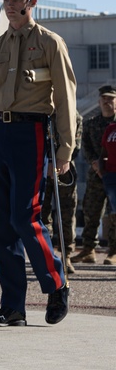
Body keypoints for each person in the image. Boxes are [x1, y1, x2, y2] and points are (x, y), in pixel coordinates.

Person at [0, 0, 73, 327]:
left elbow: (67, 99)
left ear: (32, 1)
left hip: (32, 133)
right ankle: (13, 307)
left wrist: (65, 150)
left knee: (25, 216)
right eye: (5, 0)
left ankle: (56, 282)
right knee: (3, 226)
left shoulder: (49, 43)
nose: (10, 5)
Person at [72, 85, 116, 265]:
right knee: (91, 212)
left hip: (114, 175)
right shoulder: (91, 123)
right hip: (96, 175)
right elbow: (87, 148)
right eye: (104, 99)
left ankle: (113, 251)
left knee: (114, 214)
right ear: (99, 101)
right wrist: (94, 163)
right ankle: (88, 249)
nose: (107, 102)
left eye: (111, 99)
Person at [41, 113, 82, 274]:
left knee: (66, 214)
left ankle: (67, 256)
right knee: (43, 215)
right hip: (42, 167)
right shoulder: (41, 111)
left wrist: (59, 162)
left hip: (65, 169)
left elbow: (75, 145)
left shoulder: (74, 116)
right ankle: (46, 255)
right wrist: (48, 162)